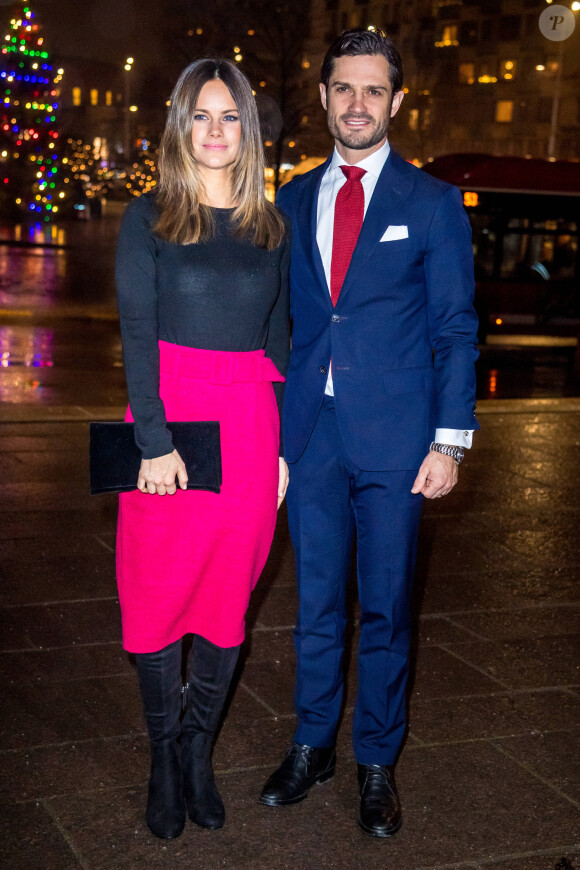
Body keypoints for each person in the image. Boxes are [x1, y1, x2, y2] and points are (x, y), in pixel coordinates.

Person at [259, 29, 479, 838]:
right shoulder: (289, 198)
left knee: (385, 607)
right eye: (344, 89)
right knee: (315, 603)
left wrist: (450, 441)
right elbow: (276, 323)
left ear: (395, 101)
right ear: (323, 97)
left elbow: (456, 327)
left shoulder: (430, 203)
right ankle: (313, 743)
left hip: (397, 442)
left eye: (373, 91)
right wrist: (270, 439)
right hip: (308, 436)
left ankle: (377, 761)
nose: (358, 104)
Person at [115, 58, 290, 840]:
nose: (216, 131)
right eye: (201, 115)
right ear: (180, 125)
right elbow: (139, 334)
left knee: (227, 603)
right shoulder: (147, 218)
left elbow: (280, 342)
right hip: (168, 426)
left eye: (230, 117)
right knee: (154, 598)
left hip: (251, 426)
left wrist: (284, 449)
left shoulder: (271, 228)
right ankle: (160, 755)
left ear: (248, 130)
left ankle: (196, 754)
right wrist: (151, 441)